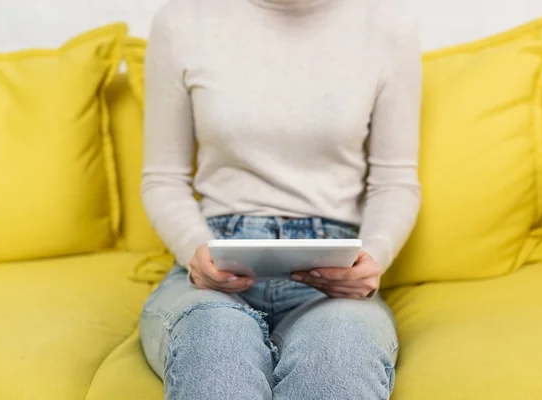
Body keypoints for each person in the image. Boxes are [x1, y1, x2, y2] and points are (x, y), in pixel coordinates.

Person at [139, 0, 421, 398]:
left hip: (332, 274)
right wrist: (194, 251)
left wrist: (373, 257)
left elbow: (394, 182)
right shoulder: (182, 20)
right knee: (217, 344)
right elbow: (163, 179)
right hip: (213, 263)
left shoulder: (389, 25)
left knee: (339, 357)